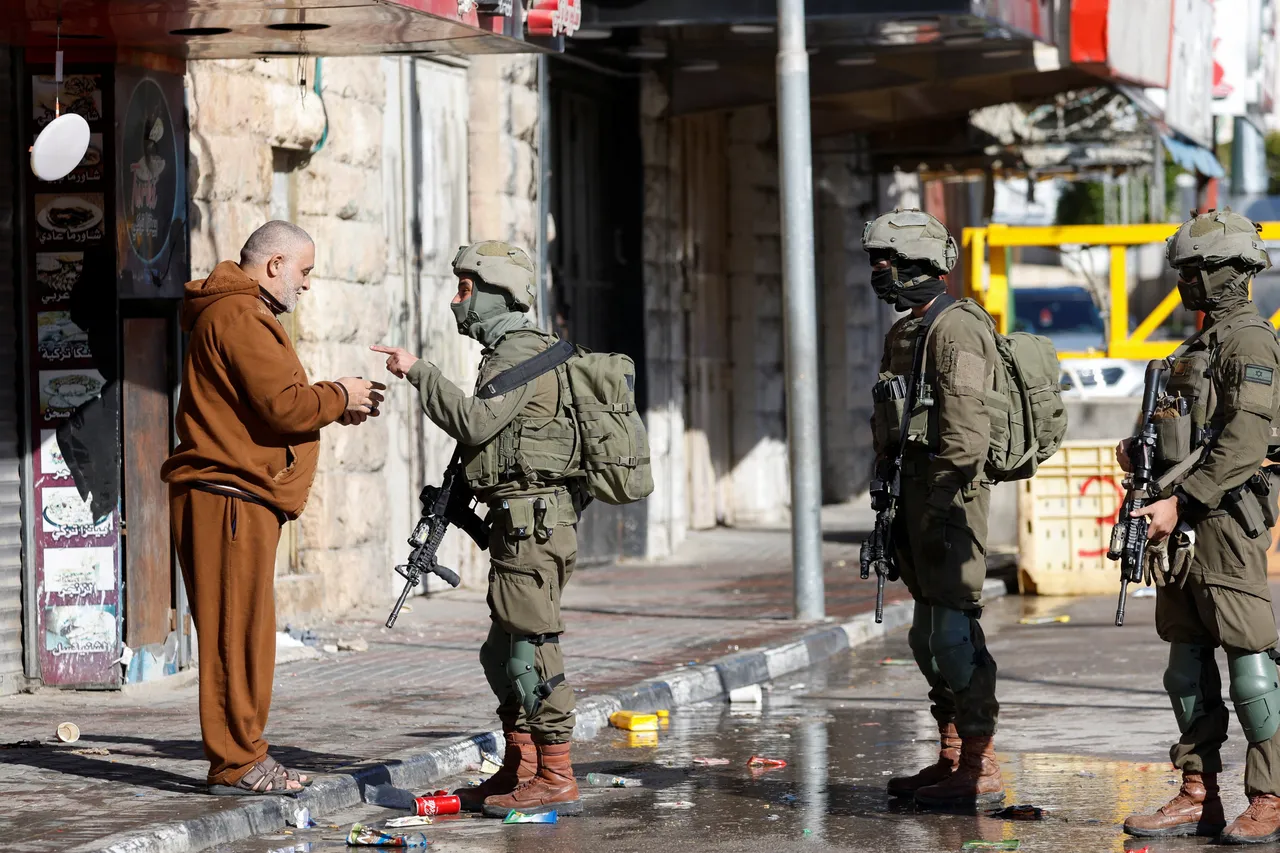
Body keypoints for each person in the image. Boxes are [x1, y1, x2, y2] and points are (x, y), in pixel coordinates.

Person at [161, 220, 383, 796]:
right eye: (303, 271)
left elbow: (268, 407)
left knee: (247, 632)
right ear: (274, 264)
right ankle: (237, 763)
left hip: (238, 496)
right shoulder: (240, 314)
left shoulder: (241, 312)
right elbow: (283, 407)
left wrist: (330, 407)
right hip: (227, 496)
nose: (306, 284)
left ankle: (243, 755)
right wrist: (340, 394)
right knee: (235, 635)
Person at [373, 241, 582, 819]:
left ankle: (557, 774)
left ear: (497, 294)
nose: (456, 301)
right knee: (500, 653)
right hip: (518, 527)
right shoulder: (515, 351)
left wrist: (419, 372)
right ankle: (522, 765)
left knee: (531, 652)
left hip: (533, 529)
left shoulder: (518, 354)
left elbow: (473, 421)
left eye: (465, 290)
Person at [1119, 209, 1280, 844]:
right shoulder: (1197, 347)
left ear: (1230, 271)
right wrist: (1140, 454)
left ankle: (1268, 797)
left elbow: (1244, 442)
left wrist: (1181, 502)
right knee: (1185, 665)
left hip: (1226, 521)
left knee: (1251, 667)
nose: (1185, 280)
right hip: (1181, 525)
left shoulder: (1250, 341)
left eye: (1196, 269)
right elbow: (1184, 430)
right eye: (1182, 269)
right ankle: (1197, 792)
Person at [863, 209, 1005, 807]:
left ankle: (980, 765)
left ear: (916, 264)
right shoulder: (906, 331)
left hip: (950, 499)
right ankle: (951, 755)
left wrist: (939, 505)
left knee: (951, 634)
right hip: (910, 495)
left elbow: (966, 437)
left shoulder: (957, 328)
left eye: (885, 261)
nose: (878, 271)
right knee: (925, 637)